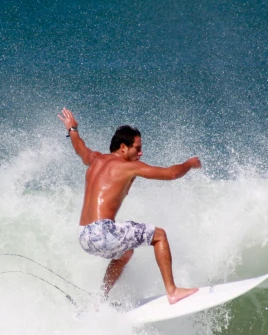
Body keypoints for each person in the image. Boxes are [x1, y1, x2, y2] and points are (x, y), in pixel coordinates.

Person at [58, 107, 201, 304]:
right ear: (123, 147)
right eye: (137, 148)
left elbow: (79, 147)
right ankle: (172, 291)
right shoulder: (129, 166)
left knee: (125, 253)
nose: (141, 153)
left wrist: (73, 129)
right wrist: (190, 163)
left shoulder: (95, 159)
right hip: (103, 233)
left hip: (84, 236)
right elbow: (172, 173)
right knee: (159, 236)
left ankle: (99, 299)